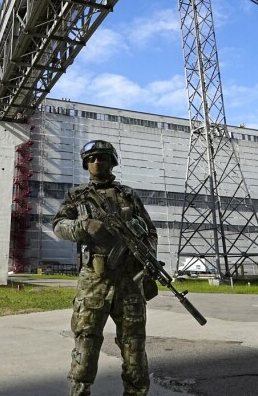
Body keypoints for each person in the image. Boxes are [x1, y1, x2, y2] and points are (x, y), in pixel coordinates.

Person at [53, 139, 158, 396]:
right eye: (91, 159)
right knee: (86, 343)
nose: (97, 162)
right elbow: (58, 226)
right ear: (85, 164)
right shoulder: (77, 195)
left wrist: (147, 259)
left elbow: (150, 232)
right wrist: (83, 226)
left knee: (134, 346)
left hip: (129, 280)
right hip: (94, 280)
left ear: (112, 162)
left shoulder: (128, 194)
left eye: (102, 157)